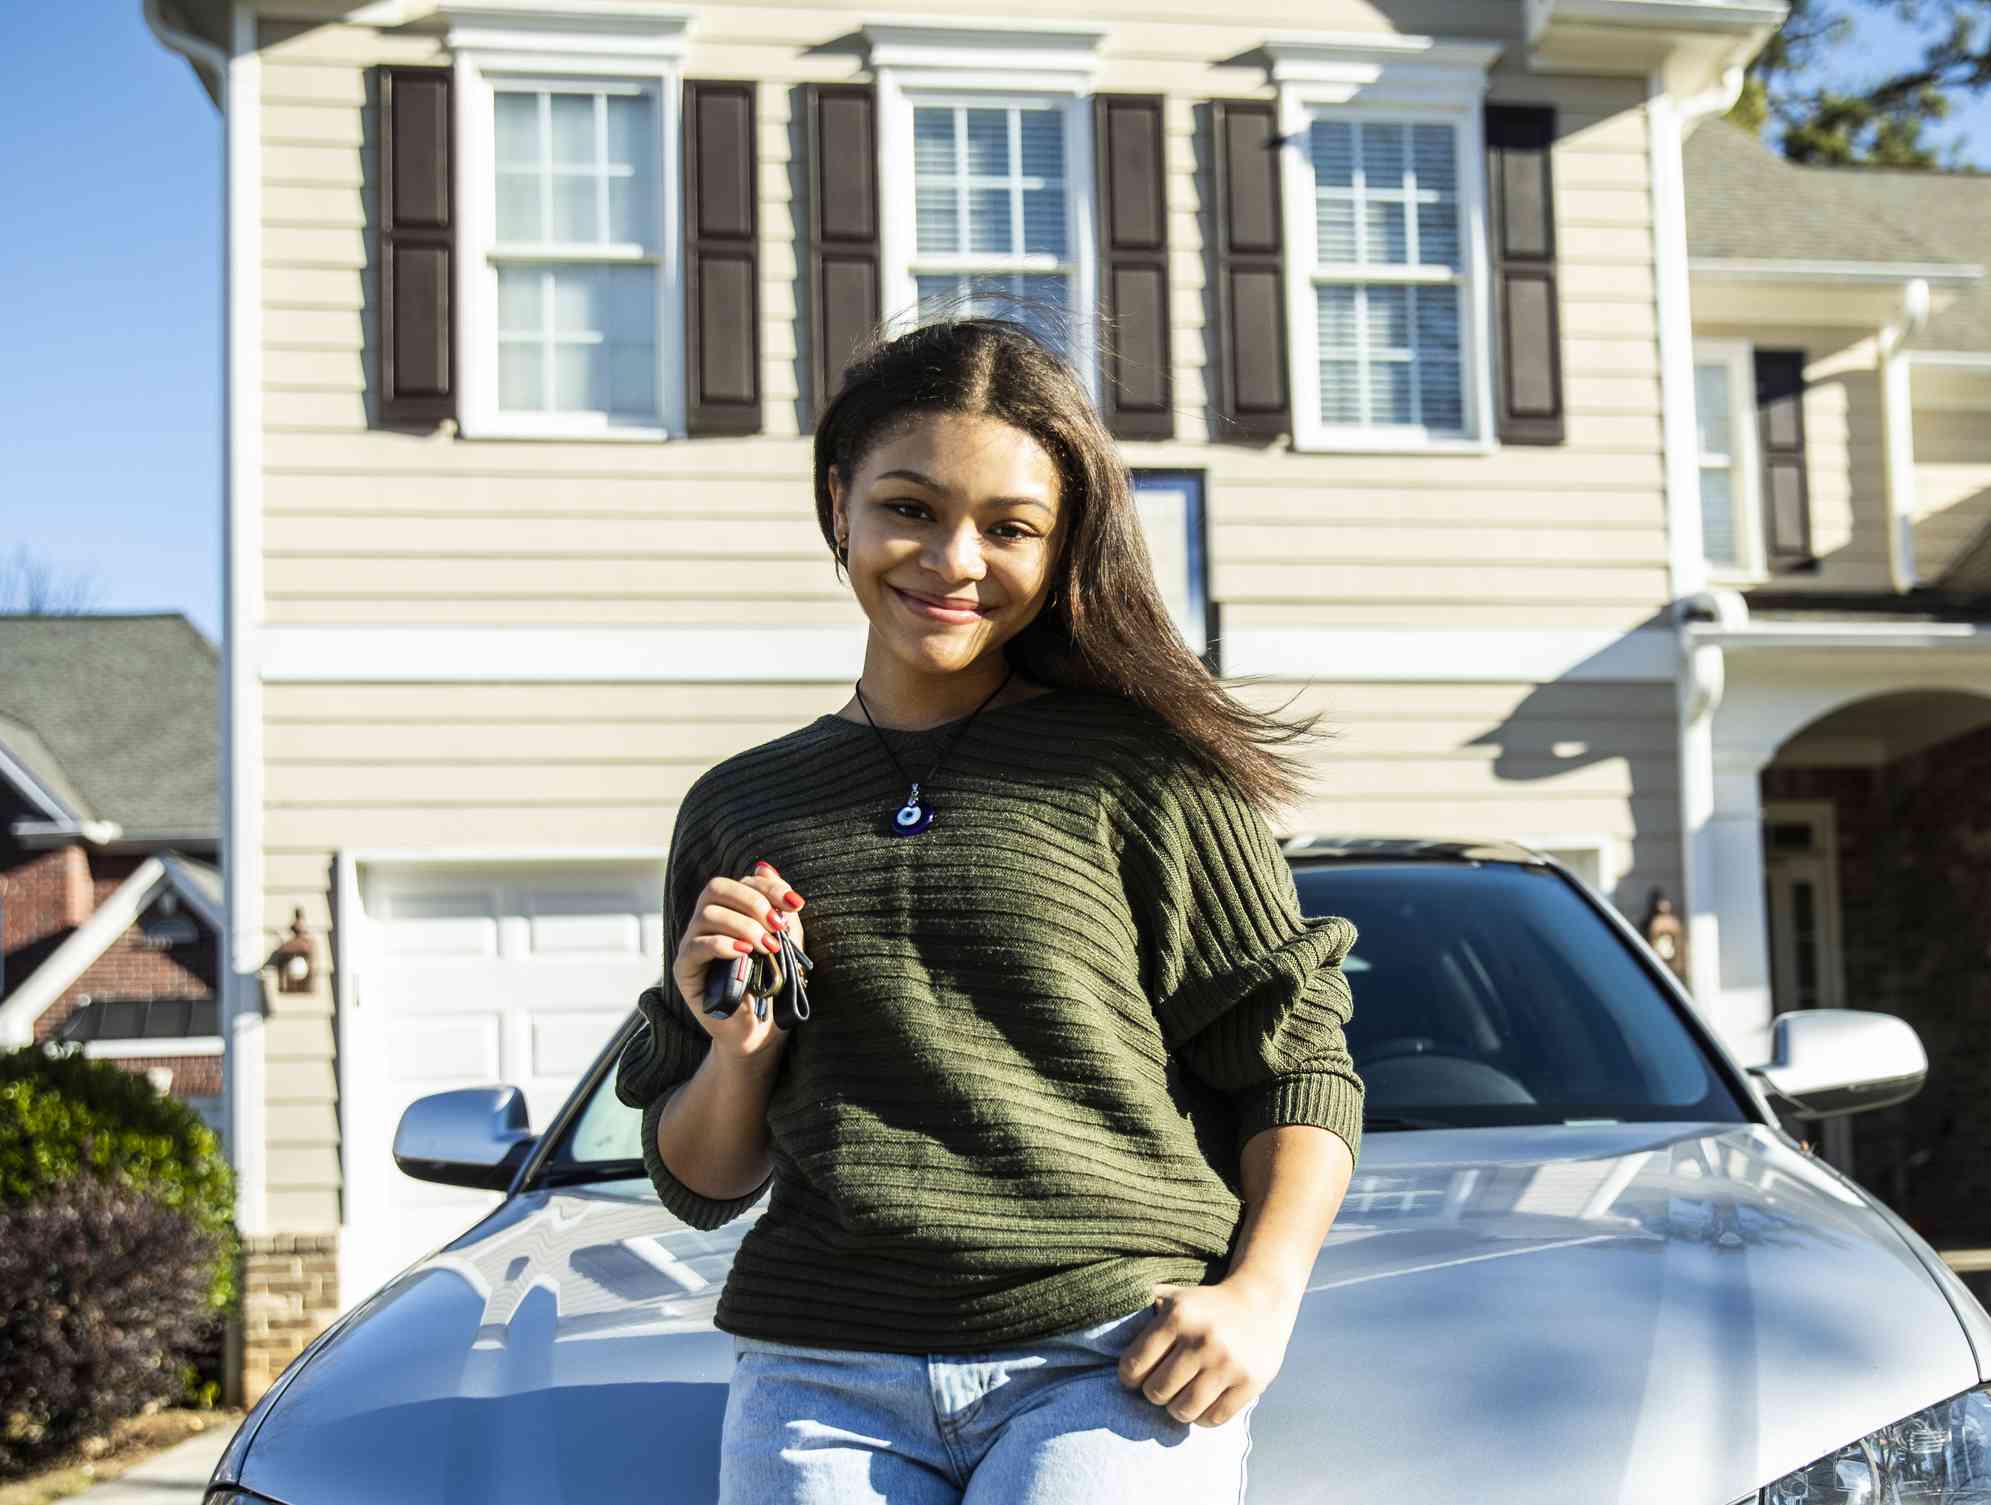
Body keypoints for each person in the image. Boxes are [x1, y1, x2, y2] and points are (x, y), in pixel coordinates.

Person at [613, 315, 1362, 1505]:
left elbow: (1295, 1063)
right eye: (909, 506)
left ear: (1059, 547)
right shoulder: (739, 804)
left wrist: (1259, 1297)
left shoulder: (1145, 773)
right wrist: (736, 1047)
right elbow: (704, 1179)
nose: (953, 558)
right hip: (820, 1374)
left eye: (1009, 528)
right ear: (837, 503)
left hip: (1109, 1359)